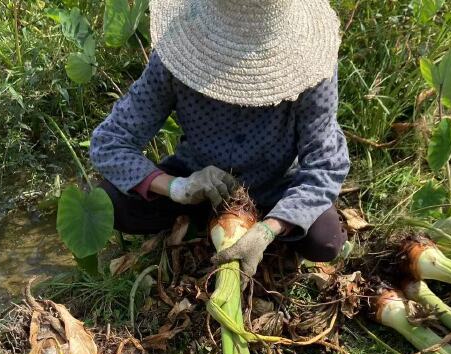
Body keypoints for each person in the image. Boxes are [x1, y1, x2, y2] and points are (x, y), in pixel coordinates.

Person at [90, 0, 350, 279]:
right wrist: (178, 187)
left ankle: (256, 229)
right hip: (197, 182)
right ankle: (204, 219)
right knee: (109, 202)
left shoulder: (310, 67)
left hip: (275, 187)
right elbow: (109, 142)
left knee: (325, 240)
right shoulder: (176, 53)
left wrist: (269, 229)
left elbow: (325, 164)